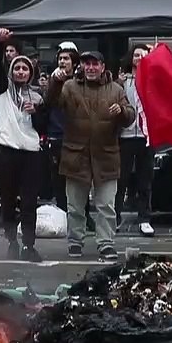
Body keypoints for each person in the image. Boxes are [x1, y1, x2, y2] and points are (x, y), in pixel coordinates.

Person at [48, 50, 135, 261]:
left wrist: (122, 112)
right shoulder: (69, 86)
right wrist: (55, 83)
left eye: (95, 64)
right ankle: (75, 242)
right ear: (82, 67)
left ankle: (106, 243)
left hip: (106, 155)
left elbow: (130, 115)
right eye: (87, 64)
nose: (91, 68)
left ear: (103, 67)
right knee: (75, 205)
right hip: (75, 155)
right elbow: (51, 103)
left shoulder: (116, 88)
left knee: (106, 205)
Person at [0, 28, 44, 262]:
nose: (21, 71)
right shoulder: (3, 90)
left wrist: (37, 113)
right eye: (17, 68)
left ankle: (29, 245)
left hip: (31, 154)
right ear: (12, 71)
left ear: (30, 73)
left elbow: (43, 128)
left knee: (30, 201)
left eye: (25, 69)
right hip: (7, 152)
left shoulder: (37, 97)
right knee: (9, 199)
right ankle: (12, 240)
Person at [117, 44, 155, 236]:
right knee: (120, 178)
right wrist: (118, 82)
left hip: (146, 135)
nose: (139, 58)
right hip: (124, 135)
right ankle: (115, 216)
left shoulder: (153, 79)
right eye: (137, 55)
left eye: (144, 56)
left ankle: (144, 218)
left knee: (144, 179)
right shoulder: (122, 80)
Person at [44, 45, 79, 210]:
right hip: (57, 136)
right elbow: (48, 102)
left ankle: (82, 214)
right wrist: (55, 82)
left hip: (76, 136)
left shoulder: (80, 80)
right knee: (58, 179)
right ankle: (62, 211)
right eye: (60, 59)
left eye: (66, 59)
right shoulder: (53, 80)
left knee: (79, 178)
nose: (63, 62)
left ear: (74, 62)